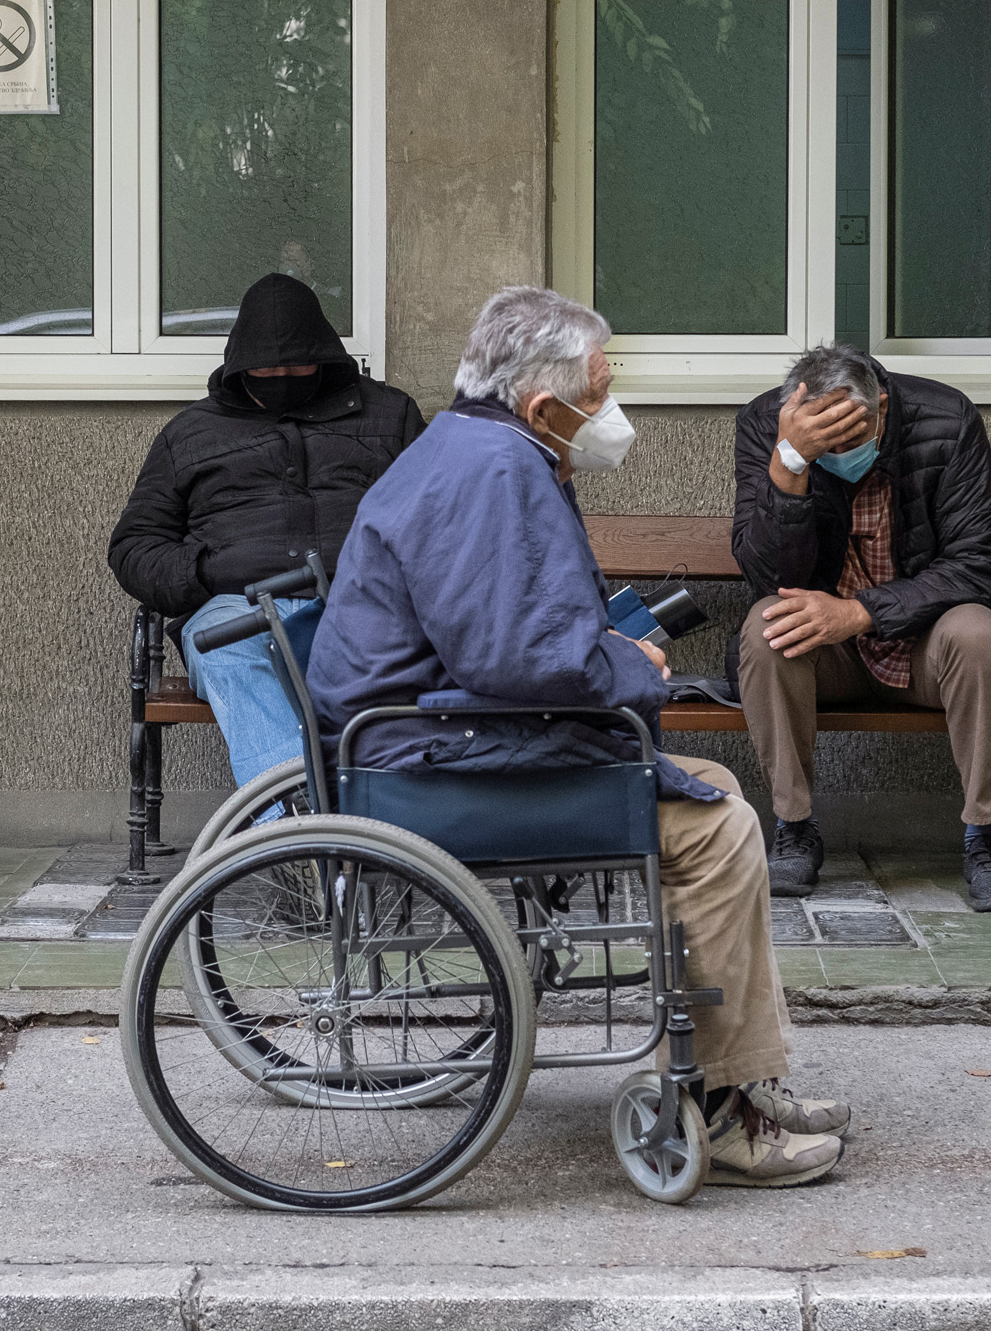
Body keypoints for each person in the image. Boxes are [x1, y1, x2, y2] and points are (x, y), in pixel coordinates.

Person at [305, 285, 851, 1188]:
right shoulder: (496, 470)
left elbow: (507, 636)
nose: (611, 408)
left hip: (424, 739)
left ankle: (746, 1073)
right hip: (433, 765)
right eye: (600, 390)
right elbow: (521, 659)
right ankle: (720, 1104)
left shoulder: (473, 447)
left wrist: (601, 649)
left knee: (712, 795)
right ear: (543, 405)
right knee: (717, 828)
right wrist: (632, 669)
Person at [730, 345, 991, 912]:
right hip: (829, 657)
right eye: (826, 444)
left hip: (924, 643)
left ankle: (987, 839)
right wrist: (790, 464)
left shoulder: (947, 417)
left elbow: (981, 562)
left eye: (851, 435)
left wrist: (861, 612)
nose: (839, 452)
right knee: (768, 628)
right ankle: (794, 827)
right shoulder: (768, 425)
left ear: (883, 408)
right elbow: (768, 576)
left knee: (979, 632)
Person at [109, 273, 425, 787]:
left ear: (323, 355)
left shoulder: (389, 415)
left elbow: (437, 517)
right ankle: (294, 825)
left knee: (402, 660)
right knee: (224, 647)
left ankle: (369, 823)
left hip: (361, 601)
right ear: (241, 365)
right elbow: (134, 545)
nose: (282, 376)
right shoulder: (189, 435)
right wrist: (207, 570)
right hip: (237, 607)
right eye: (267, 367)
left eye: (297, 365)